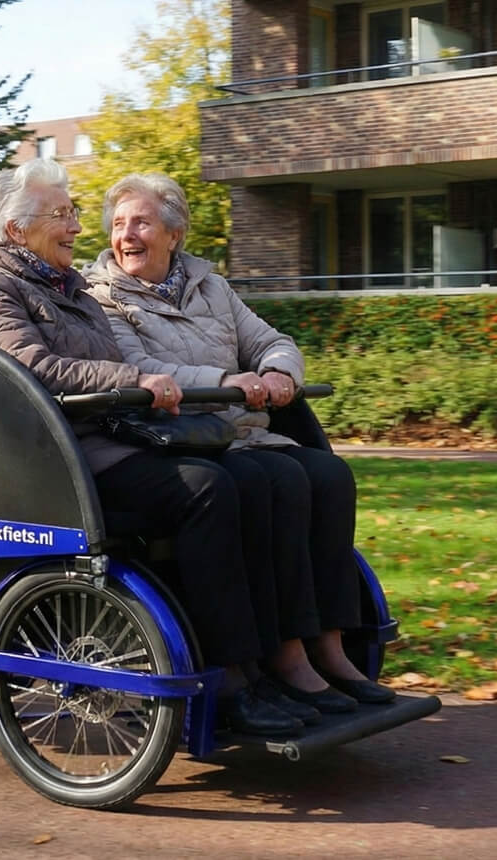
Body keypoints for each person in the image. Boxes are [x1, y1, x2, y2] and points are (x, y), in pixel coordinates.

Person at [0, 157, 326, 737]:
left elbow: (113, 362)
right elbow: (30, 367)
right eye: (63, 214)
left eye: (74, 213)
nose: (78, 227)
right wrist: (130, 383)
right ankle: (227, 677)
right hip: (59, 463)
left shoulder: (65, 287)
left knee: (251, 478)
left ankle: (268, 660)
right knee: (208, 491)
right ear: (16, 229)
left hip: (107, 441)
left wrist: (142, 384)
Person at [84, 172, 395, 709]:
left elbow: (271, 340)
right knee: (273, 481)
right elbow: (136, 366)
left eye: (141, 222)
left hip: (242, 435)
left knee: (329, 474)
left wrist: (279, 373)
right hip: (180, 439)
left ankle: (331, 641)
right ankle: (284, 649)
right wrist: (225, 382)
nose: (126, 235)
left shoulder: (212, 287)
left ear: (174, 234)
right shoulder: (103, 297)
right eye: (118, 224)